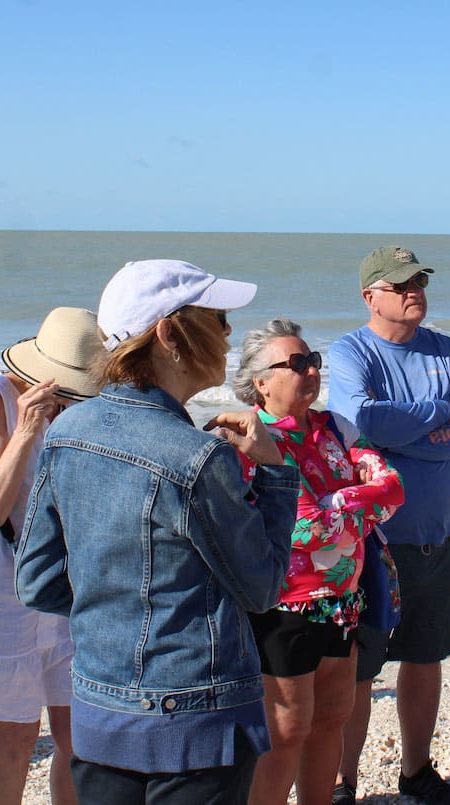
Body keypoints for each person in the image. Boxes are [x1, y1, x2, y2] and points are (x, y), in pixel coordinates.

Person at [15, 260, 300, 804]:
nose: (228, 332)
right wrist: (275, 474)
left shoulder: (67, 431)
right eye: (216, 318)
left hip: (101, 707)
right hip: (197, 719)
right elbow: (262, 588)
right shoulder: (197, 458)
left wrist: (115, 611)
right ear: (169, 332)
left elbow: (38, 583)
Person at [328, 246, 450, 805]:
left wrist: (406, 435)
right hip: (372, 543)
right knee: (358, 672)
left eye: (418, 279)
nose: (413, 289)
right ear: (370, 295)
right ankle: (343, 783)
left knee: (425, 659)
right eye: (400, 284)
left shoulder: (445, 349)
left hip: (436, 537)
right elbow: (360, 421)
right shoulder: (351, 350)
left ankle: (416, 772)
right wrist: (438, 413)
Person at [232, 319, 405, 805]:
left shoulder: (336, 428)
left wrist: (327, 505)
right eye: (295, 364)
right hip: (281, 608)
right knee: (284, 734)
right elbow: (295, 527)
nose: (310, 371)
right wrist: (348, 506)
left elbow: (391, 491)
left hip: (343, 602)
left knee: (330, 722)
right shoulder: (246, 435)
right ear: (261, 381)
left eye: (313, 361)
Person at [0, 307, 103, 805]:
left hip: (66, 590)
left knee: (82, 738)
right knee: (14, 743)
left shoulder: (80, 411)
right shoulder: (2, 401)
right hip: (6, 594)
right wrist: (24, 431)